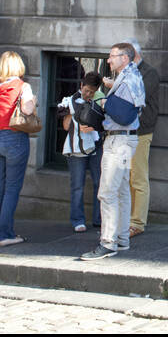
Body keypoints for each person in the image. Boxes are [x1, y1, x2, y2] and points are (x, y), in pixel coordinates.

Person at [81, 43, 144, 260]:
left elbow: (124, 115)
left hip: (118, 141)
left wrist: (105, 102)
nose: (108, 60)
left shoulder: (127, 79)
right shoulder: (132, 76)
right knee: (122, 190)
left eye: (112, 56)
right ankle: (122, 239)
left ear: (124, 58)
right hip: (126, 140)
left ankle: (108, 243)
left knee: (107, 192)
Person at [0, 51, 37, 247]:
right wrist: (33, 101)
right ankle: (5, 234)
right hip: (14, 138)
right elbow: (27, 110)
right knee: (12, 188)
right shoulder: (23, 86)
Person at [60, 72, 105, 232]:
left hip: (96, 146)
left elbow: (104, 124)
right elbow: (65, 125)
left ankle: (99, 219)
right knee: (77, 185)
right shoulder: (70, 101)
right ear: (81, 85)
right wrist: (77, 122)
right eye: (86, 90)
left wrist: (95, 125)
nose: (88, 94)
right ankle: (77, 220)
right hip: (75, 147)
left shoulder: (99, 101)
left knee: (99, 182)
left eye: (91, 92)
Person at [126, 42, 159, 238]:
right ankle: (128, 218)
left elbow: (137, 96)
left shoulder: (149, 73)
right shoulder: (126, 72)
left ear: (133, 55)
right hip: (125, 131)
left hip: (141, 131)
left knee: (138, 177)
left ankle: (137, 222)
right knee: (127, 177)